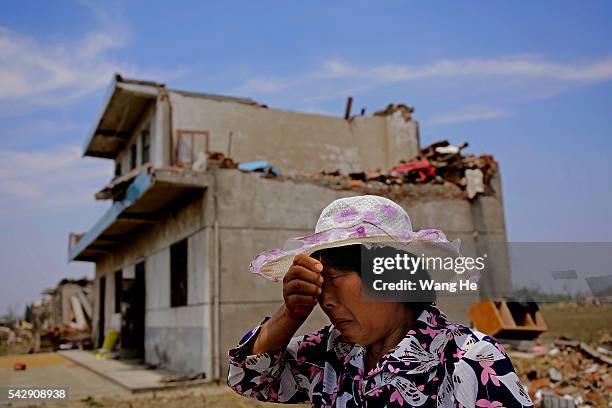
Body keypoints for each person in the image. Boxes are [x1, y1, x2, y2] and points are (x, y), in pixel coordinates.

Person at [227, 195, 533, 407]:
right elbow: (249, 377)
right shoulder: (333, 354)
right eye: (317, 286)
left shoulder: (468, 359)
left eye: (332, 280)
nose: (324, 301)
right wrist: (290, 314)